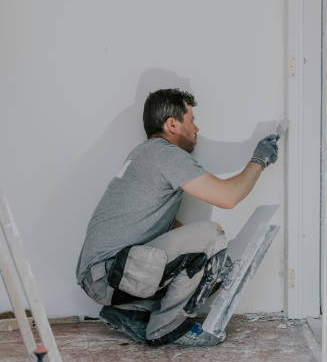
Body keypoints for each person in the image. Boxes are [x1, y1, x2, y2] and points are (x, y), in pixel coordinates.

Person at [75, 88, 279, 346]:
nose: (196, 129)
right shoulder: (164, 154)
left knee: (199, 245)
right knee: (211, 234)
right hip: (109, 276)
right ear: (172, 124)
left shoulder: (144, 154)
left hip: (102, 275)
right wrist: (259, 160)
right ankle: (166, 326)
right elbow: (229, 197)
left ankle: (131, 312)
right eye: (191, 120)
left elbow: (166, 229)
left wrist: (202, 263)